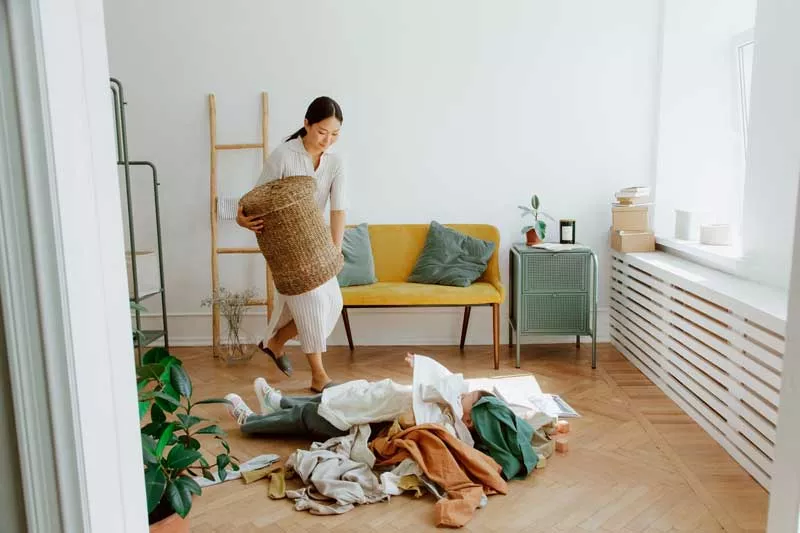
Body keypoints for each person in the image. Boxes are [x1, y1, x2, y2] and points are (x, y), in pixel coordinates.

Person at [237, 96, 346, 393]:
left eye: (334, 134)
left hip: (318, 244)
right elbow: (254, 199)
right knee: (310, 305)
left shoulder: (334, 163)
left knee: (333, 303)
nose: (328, 139)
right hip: (286, 247)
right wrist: (241, 220)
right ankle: (319, 375)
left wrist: (335, 251)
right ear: (307, 124)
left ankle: (275, 342)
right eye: (322, 131)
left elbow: (338, 210)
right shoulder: (283, 156)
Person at [224, 353, 492, 444]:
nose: (463, 394)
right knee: (332, 394)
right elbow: (440, 381)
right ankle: (277, 403)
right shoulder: (448, 405)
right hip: (370, 397)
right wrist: (419, 366)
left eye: (468, 397)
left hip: (359, 419)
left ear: (468, 420)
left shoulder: (447, 429)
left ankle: (249, 422)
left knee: (309, 415)